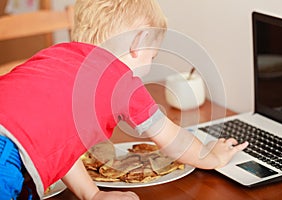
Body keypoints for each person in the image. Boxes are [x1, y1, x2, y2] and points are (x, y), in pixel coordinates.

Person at [0, 0, 248, 199]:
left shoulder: (56, 54)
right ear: (138, 45)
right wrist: (210, 155)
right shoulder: (120, 78)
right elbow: (172, 138)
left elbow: (62, 147)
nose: (149, 67)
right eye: (152, 57)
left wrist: (92, 193)